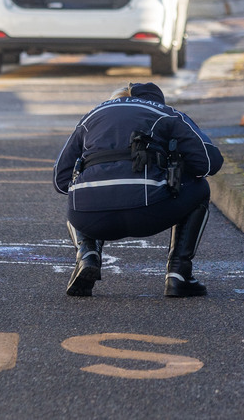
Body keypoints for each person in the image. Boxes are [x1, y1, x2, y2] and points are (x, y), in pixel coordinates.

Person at [53, 82, 223, 298]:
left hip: (89, 218)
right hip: (148, 211)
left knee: (79, 191)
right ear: (157, 101)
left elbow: (61, 180)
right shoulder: (166, 113)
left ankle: (87, 254)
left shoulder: (91, 116)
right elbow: (209, 163)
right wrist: (175, 166)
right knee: (200, 188)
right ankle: (179, 274)